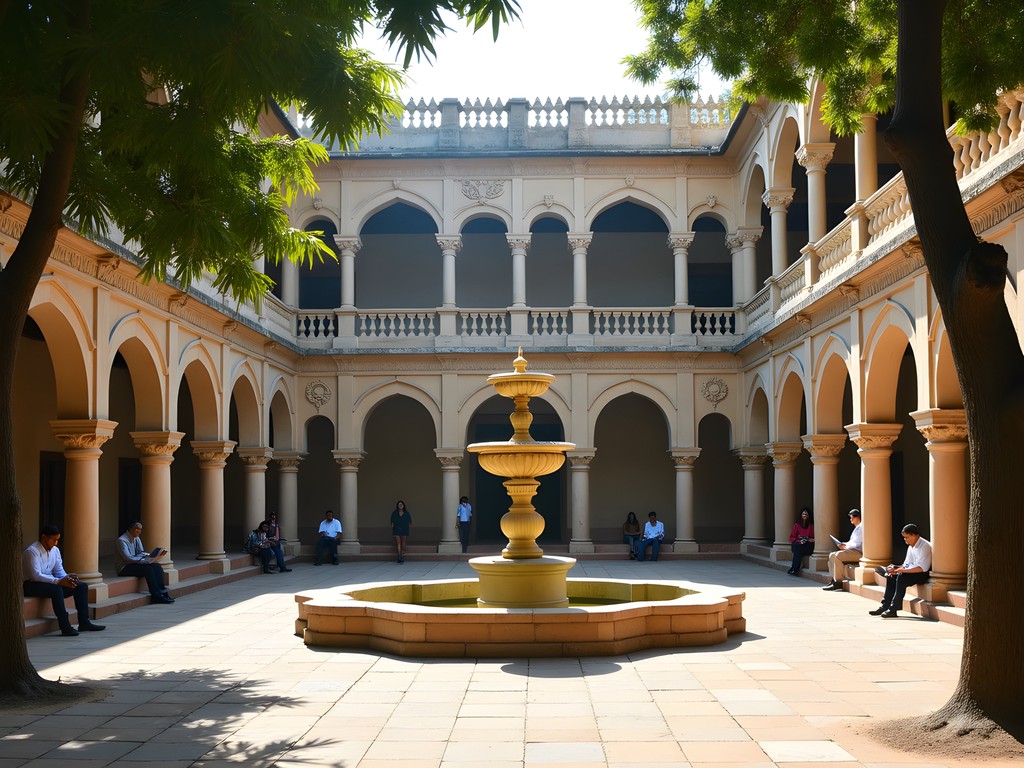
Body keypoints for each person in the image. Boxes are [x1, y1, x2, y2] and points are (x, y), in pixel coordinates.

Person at [22, 524, 105, 636]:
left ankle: (84, 622)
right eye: (54, 540)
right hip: (31, 585)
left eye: (58, 540)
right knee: (56, 589)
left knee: (81, 586)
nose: (56, 543)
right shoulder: (31, 551)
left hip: (50, 582)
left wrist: (67, 579)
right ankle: (65, 627)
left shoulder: (55, 550)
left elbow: (59, 571)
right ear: (44, 537)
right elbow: (36, 576)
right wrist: (58, 581)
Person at [869, 523, 932, 618]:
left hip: (922, 574)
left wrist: (900, 571)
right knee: (891, 576)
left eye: (906, 537)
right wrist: (895, 569)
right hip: (912, 572)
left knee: (901, 577)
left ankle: (893, 608)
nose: (905, 540)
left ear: (913, 535)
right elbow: (906, 564)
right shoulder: (911, 546)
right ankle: (885, 606)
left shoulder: (925, 546)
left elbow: (922, 568)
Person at [114, 521, 174, 603]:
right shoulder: (121, 540)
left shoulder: (136, 538)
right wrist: (144, 561)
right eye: (136, 529)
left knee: (156, 566)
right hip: (124, 567)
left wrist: (150, 556)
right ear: (130, 529)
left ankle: (163, 592)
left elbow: (140, 552)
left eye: (140, 529)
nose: (138, 531)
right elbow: (127, 558)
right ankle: (156, 595)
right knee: (148, 569)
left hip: (135, 563)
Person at [823, 509, 863, 591]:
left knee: (838, 555)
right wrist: (844, 544)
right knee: (832, 555)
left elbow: (857, 544)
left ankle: (838, 582)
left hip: (859, 553)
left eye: (852, 517)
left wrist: (845, 546)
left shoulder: (861, 527)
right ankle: (834, 579)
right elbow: (852, 542)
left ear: (857, 517)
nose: (850, 519)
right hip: (853, 551)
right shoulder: (857, 528)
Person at [787, 507, 814, 576]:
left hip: (807, 545)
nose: (804, 515)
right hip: (798, 544)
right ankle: (794, 569)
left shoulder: (811, 526)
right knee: (797, 549)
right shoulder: (797, 525)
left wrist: (809, 540)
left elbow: (813, 537)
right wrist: (799, 540)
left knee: (798, 551)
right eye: (803, 514)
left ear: (808, 516)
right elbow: (792, 537)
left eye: (806, 514)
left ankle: (793, 569)